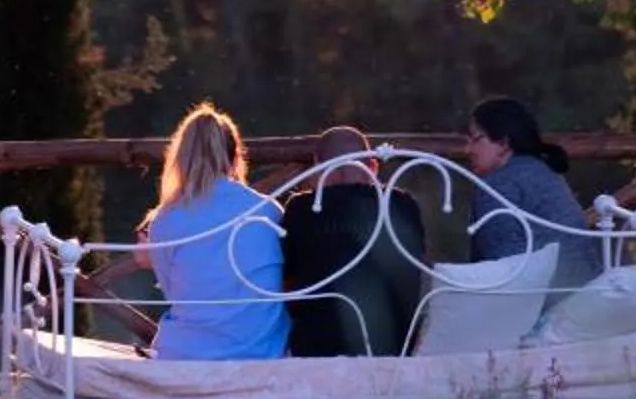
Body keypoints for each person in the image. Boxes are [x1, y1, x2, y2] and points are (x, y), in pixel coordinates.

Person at [141, 104, 287, 361]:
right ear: (234, 157)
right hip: (262, 351)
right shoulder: (268, 211)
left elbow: (174, 292)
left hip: (188, 354)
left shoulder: (166, 220)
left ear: (180, 158)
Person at [283, 126, 428, 357]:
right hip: (395, 350)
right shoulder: (402, 205)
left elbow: (287, 285)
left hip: (317, 351)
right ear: (373, 165)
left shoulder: (300, 210)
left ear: (318, 169)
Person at [461, 96, 599, 288]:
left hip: (542, 302)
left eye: (476, 139)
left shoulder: (497, 186)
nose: (468, 150)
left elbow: (500, 274)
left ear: (503, 143)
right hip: (584, 289)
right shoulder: (544, 170)